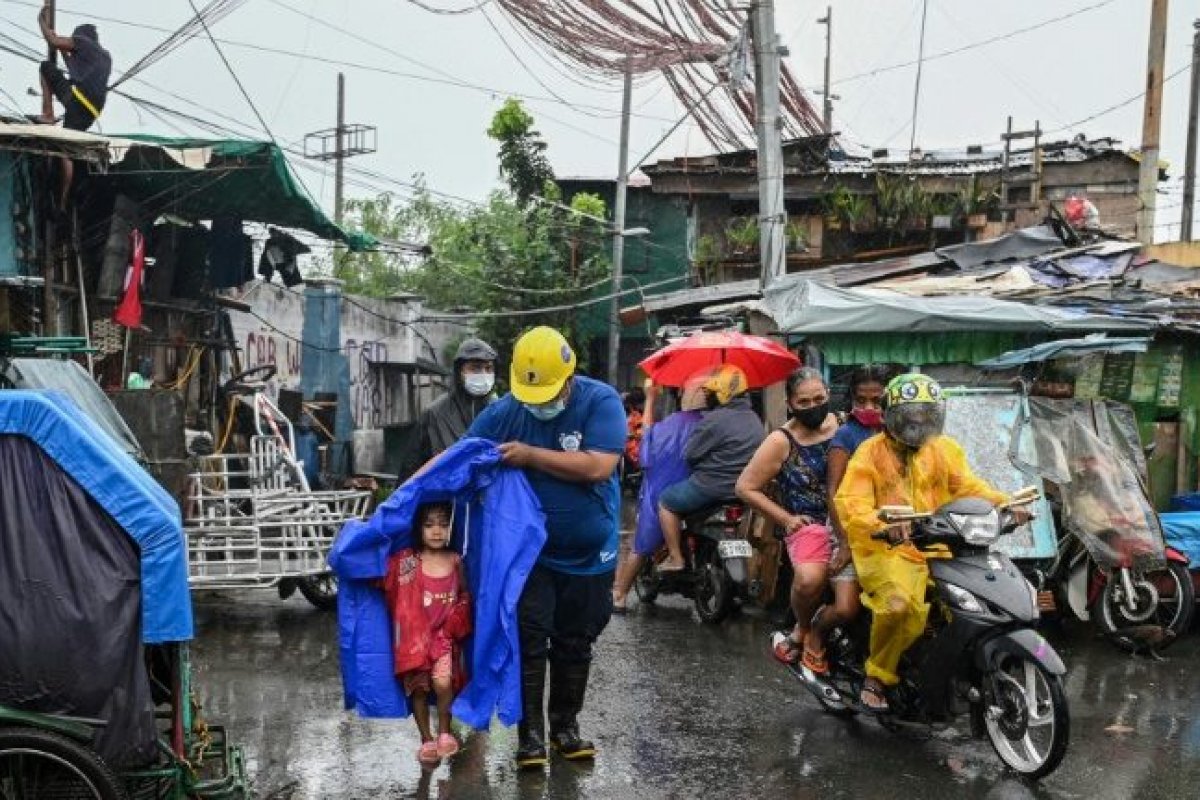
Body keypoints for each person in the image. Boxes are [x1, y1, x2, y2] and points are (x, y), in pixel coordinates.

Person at [465, 326, 625, 768]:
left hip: (591, 557)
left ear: (569, 377)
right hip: (530, 559)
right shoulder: (507, 410)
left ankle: (565, 728)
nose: (539, 405)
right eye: (531, 397)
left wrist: (531, 455)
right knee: (529, 640)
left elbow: (598, 465)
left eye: (547, 395)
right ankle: (530, 737)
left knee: (576, 642)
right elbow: (463, 455)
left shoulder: (600, 401)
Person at [835, 373, 1029, 711]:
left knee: (974, 600)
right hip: (885, 547)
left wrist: (1005, 504)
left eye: (926, 416)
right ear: (890, 416)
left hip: (938, 542)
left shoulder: (944, 449)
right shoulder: (868, 454)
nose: (918, 425)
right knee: (901, 606)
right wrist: (883, 522)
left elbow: (969, 487)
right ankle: (877, 675)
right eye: (910, 416)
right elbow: (851, 505)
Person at [736, 368, 839, 673]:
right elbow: (744, 487)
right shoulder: (781, 441)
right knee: (810, 580)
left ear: (828, 396)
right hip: (809, 525)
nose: (813, 407)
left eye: (819, 399)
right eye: (804, 402)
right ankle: (802, 629)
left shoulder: (844, 425)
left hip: (852, 521)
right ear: (791, 404)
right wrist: (787, 518)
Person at [805, 364, 897, 662]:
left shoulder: (899, 434)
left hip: (890, 527)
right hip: (847, 528)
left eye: (877, 401)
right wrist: (844, 544)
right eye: (861, 400)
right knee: (846, 608)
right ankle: (815, 631)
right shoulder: (846, 435)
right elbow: (832, 492)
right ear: (851, 400)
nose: (869, 407)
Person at [380, 501, 473, 765]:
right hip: (413, 642)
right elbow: (381, 578)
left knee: (444, 684)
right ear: (418, 528)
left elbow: (465, 595)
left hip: (443, 638)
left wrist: (455, 622)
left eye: (444, 525)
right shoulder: (408, 562)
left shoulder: (455, 560)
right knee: (419, 691)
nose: (437, 531)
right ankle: (426, 739)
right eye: (429, 524)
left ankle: (444, 732)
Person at [611, 375, 709, 611]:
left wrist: (651, 399)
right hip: (706, 492)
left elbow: (643, 455)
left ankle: (620, 595)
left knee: (641, 546)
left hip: (660, 492)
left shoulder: (666, 427)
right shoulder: (714, 424)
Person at [657, 364, 765, 572]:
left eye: (711, 392)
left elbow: (690, 456)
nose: (708, 397)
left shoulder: (714, 420)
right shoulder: (754, 419)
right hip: (743, 491)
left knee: (666, 502)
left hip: (708, 489)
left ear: (723, 394)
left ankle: (676, 557)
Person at [35, 5, 111, 209]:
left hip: (78, 101)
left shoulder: (82, 41)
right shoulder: (104, 56)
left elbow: (51, 40)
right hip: (91, 112)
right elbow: (74, 70)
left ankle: (48, 114)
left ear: (80, 36)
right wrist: (62, 49)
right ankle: (62, 202)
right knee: (66, 148)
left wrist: (41, 21)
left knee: (45, 67)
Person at [416, 337, 497, 464]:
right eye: (475, 368)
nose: (483, 374)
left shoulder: (498, 409)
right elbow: (414, 464)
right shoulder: (435, 413)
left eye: (488, 368)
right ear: (460, 371)